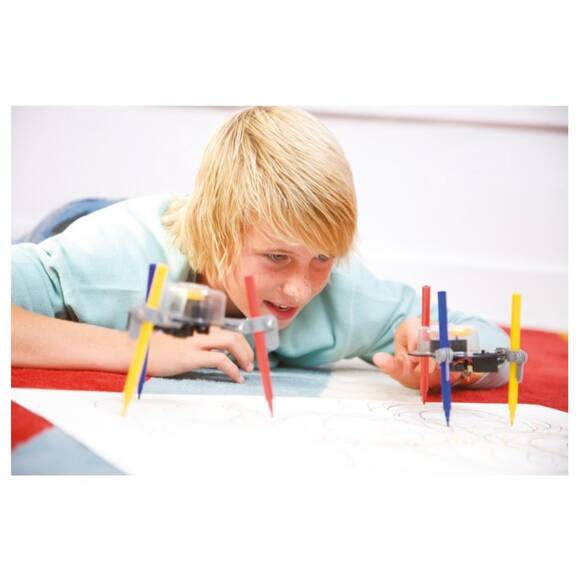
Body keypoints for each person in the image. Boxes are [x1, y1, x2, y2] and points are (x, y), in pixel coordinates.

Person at [11, 106, 509, 389]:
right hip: (78, 225)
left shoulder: (340, 296)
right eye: (277, 257)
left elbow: (501, 351)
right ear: (219, 233)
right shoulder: (113, 258)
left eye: (322, 258)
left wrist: (449, 360)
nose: (299, 289)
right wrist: (141, 351)